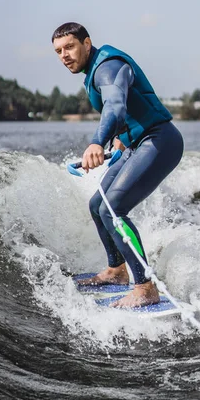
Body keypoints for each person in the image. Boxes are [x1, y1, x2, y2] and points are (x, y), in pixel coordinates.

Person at [52, 22, 184, 308]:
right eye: (59, 51)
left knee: (114, 209)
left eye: (70, 47)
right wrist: (120, 142)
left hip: (160, 140)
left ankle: (145, 287)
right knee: (98, 205)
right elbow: (130, 111)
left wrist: (97, 141)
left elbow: (115, 105)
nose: (64, 55)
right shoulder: (94, 70)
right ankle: (116, 270)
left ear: (87, 44)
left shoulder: (107, 67)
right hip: (137, 143)